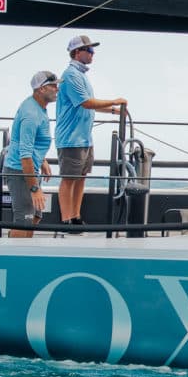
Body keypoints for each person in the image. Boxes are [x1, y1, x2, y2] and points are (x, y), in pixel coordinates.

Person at [56, 34, 127, 232]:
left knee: (81, 177)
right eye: (89, 51)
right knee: (69, 178)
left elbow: (90, 103)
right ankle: (66, 220)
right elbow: (85, 102)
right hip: (71, 139)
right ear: (77, 52)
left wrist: (113, 111)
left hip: (84, 138)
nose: (92, 54)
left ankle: (76, 216)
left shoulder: (81, 76)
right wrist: (114, 101)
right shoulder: (70, 75)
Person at [3, 71, 59, 238]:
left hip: (30, 170)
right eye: (53, 86)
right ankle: (14, 257)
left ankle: (24, 250)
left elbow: (32, 144)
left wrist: (42, 161)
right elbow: (25, 155)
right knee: (24, 219)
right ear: (41, 89)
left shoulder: (38, 106)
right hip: (20, 172)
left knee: (35, 216)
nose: (57, 89)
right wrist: (34, 189)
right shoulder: (31, 115)